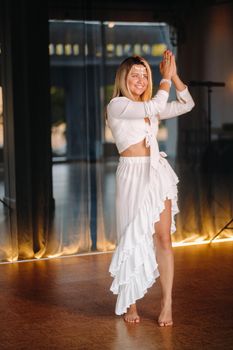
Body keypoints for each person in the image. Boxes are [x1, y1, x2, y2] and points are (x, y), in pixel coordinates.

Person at [106, 51, 195, 326]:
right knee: (131, 238)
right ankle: (131, 304)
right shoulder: (117, 105)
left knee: (163, 239)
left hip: (156, 174)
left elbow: (187, 103)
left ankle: (166, 303)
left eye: (146, 75)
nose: (141, 80)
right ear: (124, 78)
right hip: (131, 176)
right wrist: (164, 80)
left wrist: (174, 74)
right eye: (135, 75)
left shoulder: (152, 108)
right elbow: (152, 105)